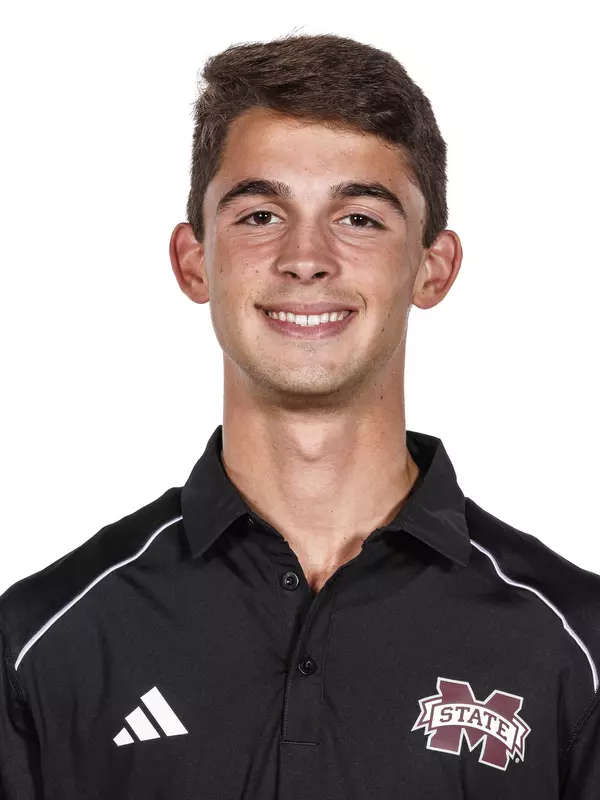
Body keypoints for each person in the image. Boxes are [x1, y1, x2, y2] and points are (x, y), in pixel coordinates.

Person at [0, 31, 598, 800]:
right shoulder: (46, 644)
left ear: (433, 265)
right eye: (258, 216)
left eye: (359, 218)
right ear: (193, 260)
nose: (305, 257)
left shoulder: (575, 650)